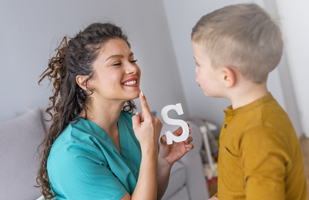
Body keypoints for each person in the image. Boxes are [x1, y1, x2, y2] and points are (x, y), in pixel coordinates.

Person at [36, 22, 194, 200]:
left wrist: (163, 162)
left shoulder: (128, 123)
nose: (133, 68)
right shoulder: (72, 154)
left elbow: (147, 194)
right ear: (85, 82)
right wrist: (149, 148)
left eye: (132, 60)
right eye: (117, 63)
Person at [191, 3, 307, 200]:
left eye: (198, 64)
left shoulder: (258, 132)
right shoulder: (250, 115)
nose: (196, 70)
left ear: (226, 76)